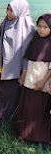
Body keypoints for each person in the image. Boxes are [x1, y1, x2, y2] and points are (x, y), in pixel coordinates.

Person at [0, 0, 35, 129]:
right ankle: (0, 123)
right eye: (7, 9)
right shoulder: (6, 23)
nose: (8, 13)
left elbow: (27, 54)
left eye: (11, 10)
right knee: (3, 96)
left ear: (19, 11)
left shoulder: (28, 28)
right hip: (6, 68)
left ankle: (12, 126)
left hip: (19, 72)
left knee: (14, 98)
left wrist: (23, 73)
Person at [16, 14, 51, 143]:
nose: (41, 30)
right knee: (27, 108)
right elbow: (27, 60)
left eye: (45, 27)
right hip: (29, 81)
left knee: (39, 110)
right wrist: (23, 75)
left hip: (42, 83)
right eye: (39, 26)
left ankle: (39, 138)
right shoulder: (35, 40)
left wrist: (43, 82)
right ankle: (24, 135)